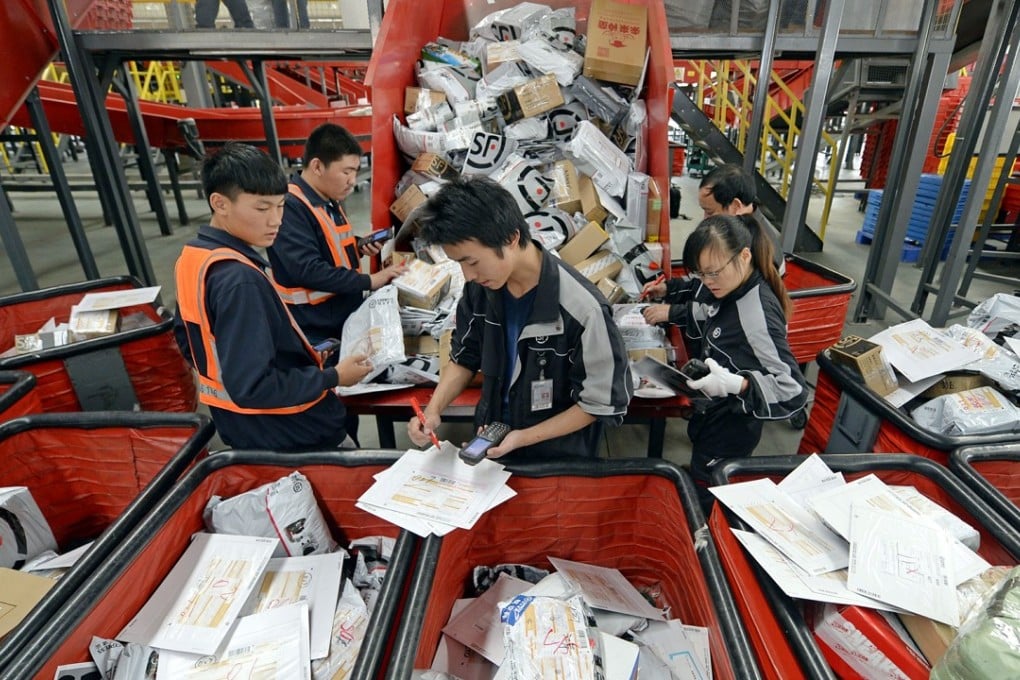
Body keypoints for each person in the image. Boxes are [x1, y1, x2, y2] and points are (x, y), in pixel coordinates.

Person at [406, 176, 633, 460]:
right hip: (492, 442)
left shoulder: (583, 309)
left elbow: (599, 402)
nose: (468, 275)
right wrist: (433, 410)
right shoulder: (481, 290)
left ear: (511, 238)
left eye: (472, 261)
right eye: (459, 263)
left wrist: (522, 438)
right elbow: (465, 357)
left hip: (557, 459)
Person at [173, 142, 373, 451]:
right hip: (293, 431)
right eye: (262, 208)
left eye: (280, 206)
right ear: (220, 203)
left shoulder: (196, 258)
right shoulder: (240, 281)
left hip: (244, 429)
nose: (275, 220)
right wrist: (333, 376)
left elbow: (188, 338)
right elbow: (253, 386)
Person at [640, 214, 806, 501]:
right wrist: (672, 290)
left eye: (712, 273)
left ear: (744, 255)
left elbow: (792, 390)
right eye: (700, 274)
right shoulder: (727, 282)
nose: (707, 282)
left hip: (732, 427)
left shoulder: (757, 315)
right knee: (700, 465)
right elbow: (707, 307)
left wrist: (737, 385)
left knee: (712, 491)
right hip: (711, 412)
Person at [268, 123, 406, 351]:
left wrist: (358, 246)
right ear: (317, 166)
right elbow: (306, 269)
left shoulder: (327, 199)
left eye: (355, 171)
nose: (353, 180)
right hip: (315, 328)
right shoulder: (290, 207)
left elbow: (327, 244)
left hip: (339, 319)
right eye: (346, 171)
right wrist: (371, 281)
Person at [694, 163, 785, 274]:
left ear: (736, 206)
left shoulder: (760, 249)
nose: (705, 219)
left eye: (709, 212)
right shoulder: (737, 227)